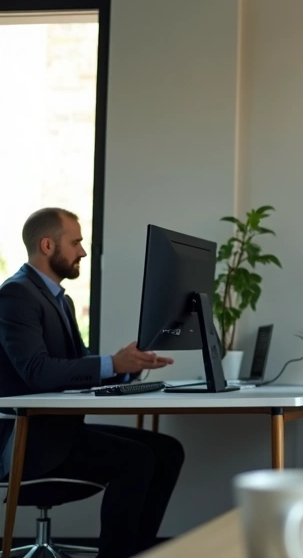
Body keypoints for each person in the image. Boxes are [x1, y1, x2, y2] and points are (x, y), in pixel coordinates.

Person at [0, 207, 183, 558]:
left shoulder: (59, 300)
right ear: (48, 245)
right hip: (29, 443)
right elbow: (37, 372)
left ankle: (138, 552)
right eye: (77, 242)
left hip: (59, 433)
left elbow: (73, 366)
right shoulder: (16, 295)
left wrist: (128, 367)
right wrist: (111, 362)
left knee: (168, 450)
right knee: (138, 459)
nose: (83, 251)